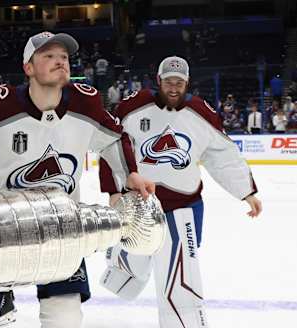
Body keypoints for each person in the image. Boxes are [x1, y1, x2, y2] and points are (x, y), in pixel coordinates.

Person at [0, 31, 154, 328]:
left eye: (64, 57)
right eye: (49, 56)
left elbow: (114, 138)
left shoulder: (86, 103)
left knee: (65, 315)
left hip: (63, 226)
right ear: (28, 68)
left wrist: (129, 173)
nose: (60, 62)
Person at [99, 56, 262, 328]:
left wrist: (247, 192)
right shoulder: (133, 106)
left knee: (182, 269)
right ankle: (122, 258)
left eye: (179, 82)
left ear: (187, 83)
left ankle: (182, 323)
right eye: (168, 82)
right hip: (141, 203)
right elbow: (111, 146)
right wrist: (113, 191)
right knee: (135, 260)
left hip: (185, 206)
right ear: (158, 81)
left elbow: (223, 156)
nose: (173, 88)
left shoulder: (202, 113)